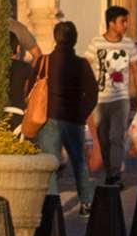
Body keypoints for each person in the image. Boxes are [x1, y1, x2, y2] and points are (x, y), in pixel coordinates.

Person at [38, 19, 95, 204]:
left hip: (48, 118)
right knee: (79, 163)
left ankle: (53, 207)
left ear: (55, 38)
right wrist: (82, 115)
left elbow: (29, 90)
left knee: (50, 166)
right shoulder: (81, 64)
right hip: (73, 119)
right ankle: (86, 203)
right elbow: (93, 93)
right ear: (75, 40)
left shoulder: (44, 61)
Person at [91, 5, 137, 182]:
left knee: (116, 137)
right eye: (123, 21)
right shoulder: (96, 43)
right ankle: (109, 171)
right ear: (111, 23)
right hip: (99, 99)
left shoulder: (128, 44)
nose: (126, 25)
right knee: (103, 138)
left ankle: (115, 175)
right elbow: (86, 65)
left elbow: (136, 70)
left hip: (121, 99)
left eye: (126, 21)